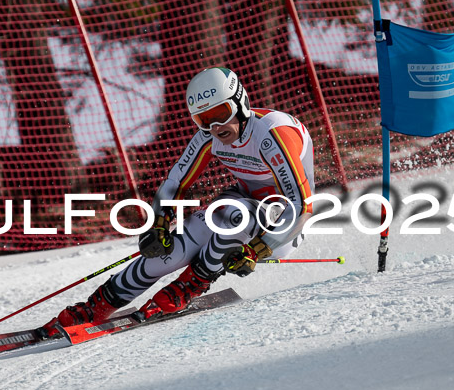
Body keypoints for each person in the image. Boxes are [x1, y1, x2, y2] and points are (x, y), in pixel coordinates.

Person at [38, 66, 315, 335]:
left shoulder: (272, 133)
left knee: (231, 212)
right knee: (180, 241)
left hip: (283, 227)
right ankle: (98, 305)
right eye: (204, 120)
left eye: (221, 113)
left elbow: (301, 205)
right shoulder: (208, 138)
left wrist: (257, 249)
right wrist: (159, 224)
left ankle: (191, 284)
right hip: (244, 206)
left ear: (240, 102)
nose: (216, 127)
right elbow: (175, 183)